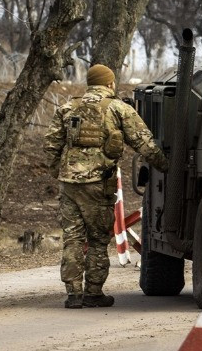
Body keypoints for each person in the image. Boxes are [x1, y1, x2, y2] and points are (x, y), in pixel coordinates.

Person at [44, 64, 167, 309]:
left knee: (73, 238)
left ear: (90, 83)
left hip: (68, 185)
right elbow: (144, 143)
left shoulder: (68, 108)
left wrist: (60, 171)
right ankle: (93, 293)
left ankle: (73, 294)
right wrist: (166, 166)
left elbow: (51, 146)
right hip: (98, 185)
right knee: (98, 240)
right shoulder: (119, 109)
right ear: (110, 84)